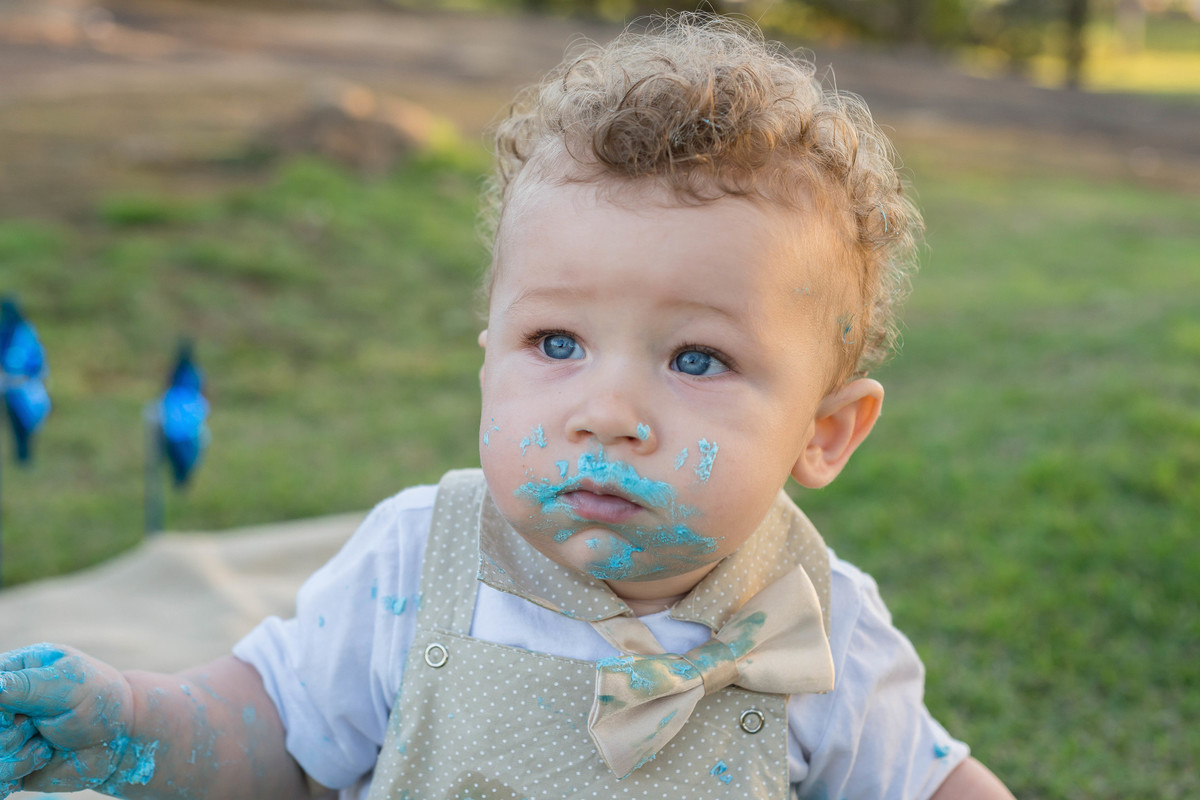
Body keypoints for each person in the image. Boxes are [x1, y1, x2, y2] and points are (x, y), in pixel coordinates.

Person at [0, 14, 1015, 800]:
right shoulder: (417, 560)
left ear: (823, 430)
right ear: (489, 362)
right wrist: (132, 719)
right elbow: (274, 729)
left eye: (697, 357)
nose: (607, 411)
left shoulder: (821, 622)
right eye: (557, 344)